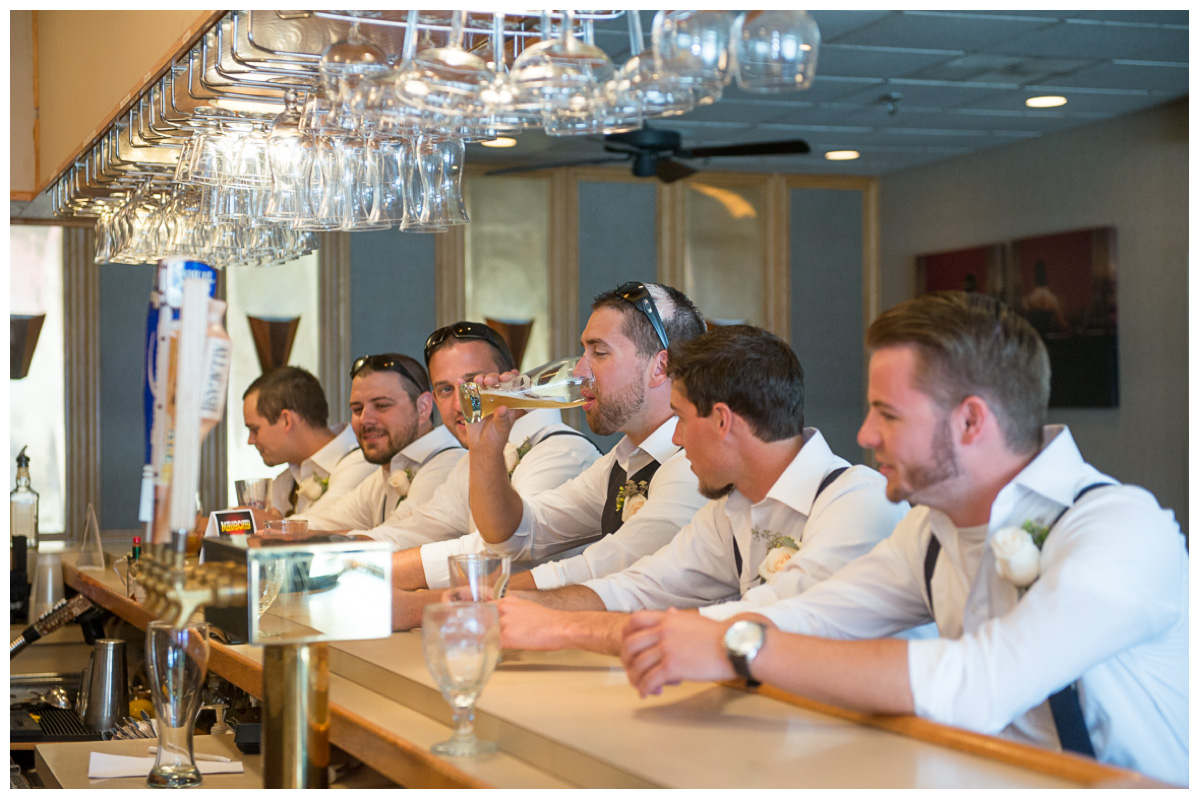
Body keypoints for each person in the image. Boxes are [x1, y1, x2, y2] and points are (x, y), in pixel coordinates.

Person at [619, 292, 1188, 785]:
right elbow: (819, 616)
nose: (865, 435)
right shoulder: (930, 527)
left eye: (887, 415)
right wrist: (672, 639)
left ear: (970, 422)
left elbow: (979, 683)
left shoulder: (1121, 531)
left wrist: (734, 648)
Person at [495, 325, 909, 655]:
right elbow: (641, 587)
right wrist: (494, 606)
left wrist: (562, 627)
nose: (675, 438)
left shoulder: (860, 503)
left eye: (679, 417)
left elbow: (768, 620)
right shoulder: (732, 506)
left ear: (723, 421)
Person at [397, 282, 709, 618]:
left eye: (599, 353)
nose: (579, 370)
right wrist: (485, 449)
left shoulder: (694, 465)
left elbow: (601, 572)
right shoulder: (622, 460)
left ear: (660, 367)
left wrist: (421, 607)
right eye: (583, 352)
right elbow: (515, 537)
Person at [368, 324, 599, 601]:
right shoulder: (472, 458)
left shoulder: (563, 451)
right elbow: (420, 526)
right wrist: (341, 554)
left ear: (512, 381)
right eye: (444, 389)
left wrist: (369, 570)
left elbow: (498, 550)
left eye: (472, 384)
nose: (458, 404)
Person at [292, 353, 464, 535]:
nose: (365, 419)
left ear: (423, 407)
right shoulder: (383, 473)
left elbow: (396, 537)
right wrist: (273, 530)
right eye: (357, 409)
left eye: (382, 405)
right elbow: (324, 522)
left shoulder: (448, 464)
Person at [241, 366, 375, 517]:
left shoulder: (361, 462)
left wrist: (267, 524)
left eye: (254, 429)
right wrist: (218, 524)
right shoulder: (286, 479)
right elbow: (241, 523)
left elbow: (322, 523)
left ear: (286, 420)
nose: (250, 441)